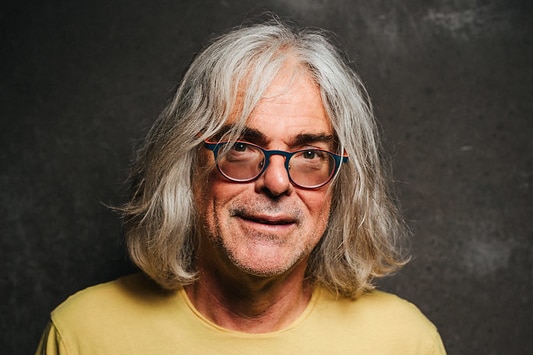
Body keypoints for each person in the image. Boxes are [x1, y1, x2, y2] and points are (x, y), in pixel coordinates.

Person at [36, 18, 446, 354]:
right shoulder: (82, 336)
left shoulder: (403, 342)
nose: (276, 182)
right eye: (240, 147)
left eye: (309, 154)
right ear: (188, 163)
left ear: (341, 183)